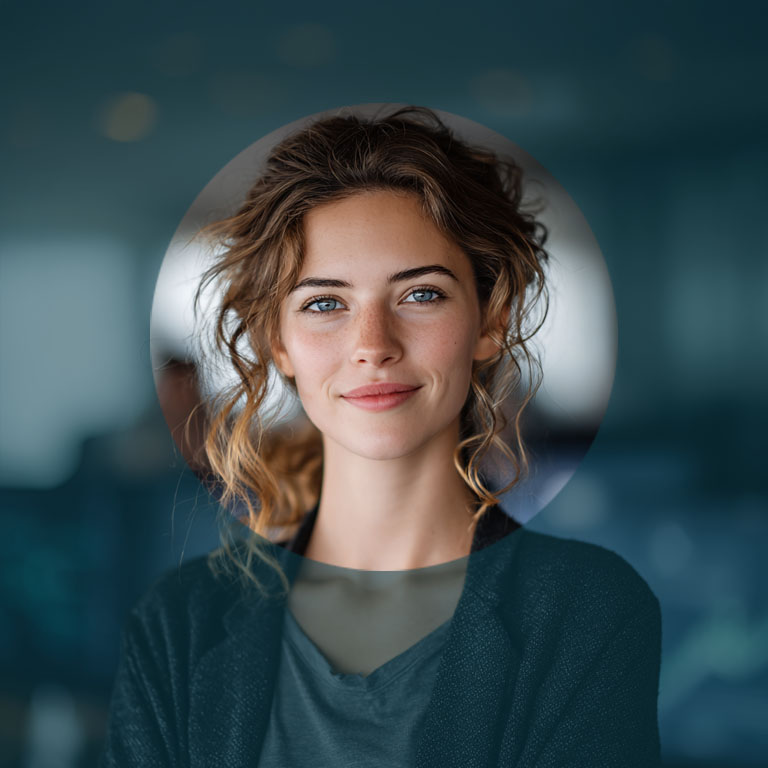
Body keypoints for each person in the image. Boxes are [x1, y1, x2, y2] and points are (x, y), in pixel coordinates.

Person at [99, 106, 662, 767]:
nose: (373, 346)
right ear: (277, 342)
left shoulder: (586, 610)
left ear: (490, 320)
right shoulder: (177, 624)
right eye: (325, 303)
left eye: (421, 294)